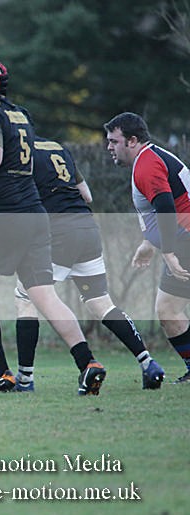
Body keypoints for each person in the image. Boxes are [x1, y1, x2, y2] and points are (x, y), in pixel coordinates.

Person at [0, 59, 106, 396]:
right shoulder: (21, 115)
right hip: (34, 213)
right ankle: (88, 363)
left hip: (2, 216)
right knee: (44, 295)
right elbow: (11, 155)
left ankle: (1, 373)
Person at [13, 136, 165, 390]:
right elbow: (87, 195)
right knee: (100, 302)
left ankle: (27, 379)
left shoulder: (21, 155)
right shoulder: (59, 148)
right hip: (86, 228)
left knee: (26, 297)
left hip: (57, 232)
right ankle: (148, 363)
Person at [104, 111, 190, 384]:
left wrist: (168, 253)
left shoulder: (146, 164)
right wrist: (148, 243)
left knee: (168, 309)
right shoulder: (151, 158)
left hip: (185, 238)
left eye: (114, 141)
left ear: (132, 141)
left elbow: (165, 207)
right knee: (170, 309)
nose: (109, 147)